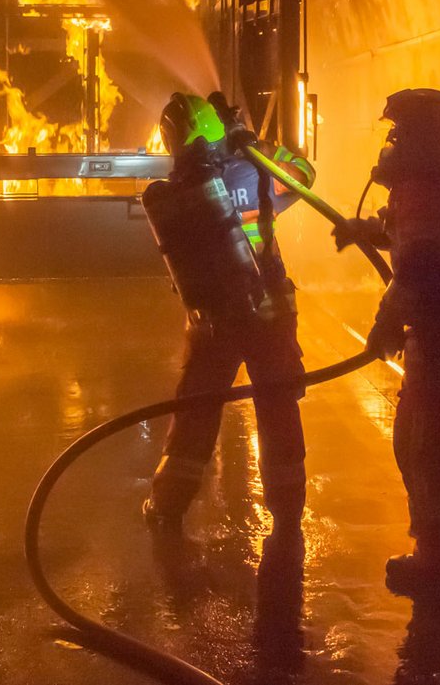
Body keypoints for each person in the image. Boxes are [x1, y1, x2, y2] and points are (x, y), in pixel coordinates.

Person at [333, 88, 440, 595]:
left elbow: (420, 265)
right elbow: (409, 238)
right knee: (418, 439)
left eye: (400, 131)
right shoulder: (429, 185)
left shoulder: (430, 190)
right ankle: (437, 552)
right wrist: (365, 229)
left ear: (423, 137)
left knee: (426, 444)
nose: (391, 140)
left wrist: (383, 325)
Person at [143, 92, 318, 552]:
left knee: (195, 413)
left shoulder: (178, 185)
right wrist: (253, 140)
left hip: (214, 322)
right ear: (219, 125)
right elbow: (304, 176)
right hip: (268, 313)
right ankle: (287, 513)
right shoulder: (255, 168)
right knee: (278, 410)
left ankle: (166, 507)